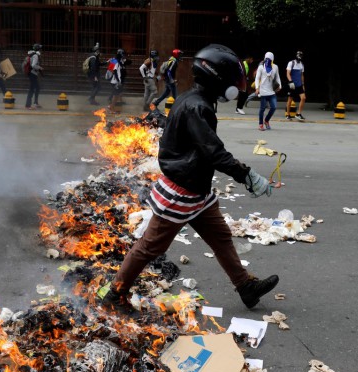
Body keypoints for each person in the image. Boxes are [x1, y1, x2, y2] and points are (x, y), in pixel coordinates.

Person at [104, 44, 279, 310]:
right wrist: (247, 175)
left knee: (220, 238)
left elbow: (205, 149)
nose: (234, 86)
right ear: (217, 79)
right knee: (149, 247)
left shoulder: (193, 99)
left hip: (198, 190)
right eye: (232, 80)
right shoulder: (198, 107)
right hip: (182, 191)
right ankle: (115, 294)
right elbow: (213, 152)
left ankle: (245, 287)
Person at [254, 52, 282, 131]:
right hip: (263, 91)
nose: (268, 60)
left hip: (271, 91)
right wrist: (257, 88)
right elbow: (257, 78)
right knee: (262, 109)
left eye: (269, 58)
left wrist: (280, 85)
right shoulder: (261, 67)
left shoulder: (275, 67)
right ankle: (260, 124)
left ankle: (266, 120)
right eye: (266, 58)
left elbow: (277, 77)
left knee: (273, 107)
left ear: (272, 59)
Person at [286, 50, 306, 121]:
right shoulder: (291, 63)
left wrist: (303, 84)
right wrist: (290, 81)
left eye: (300, 55)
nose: (299, 57)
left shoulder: (302, 64)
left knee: (303, 98)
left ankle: (298, 114)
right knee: (290, 99)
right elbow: (288, 73)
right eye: (298, 55)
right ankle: (288, 115)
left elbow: (302, 75)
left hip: (299, 84)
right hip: (292, 84)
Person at [25, 43, 43, 110]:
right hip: (32, 74)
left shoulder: (33, 55)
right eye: (40, 48)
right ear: (38, 49)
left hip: (33, 74)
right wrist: (40, 68)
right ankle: (28, 105)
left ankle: (35, 103)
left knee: (37, 88)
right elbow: (33, 65)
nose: (41, 50)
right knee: (31, 90)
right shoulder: (35, 56)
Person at [109, 49, 127, 113]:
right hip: (115, 81)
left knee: (117, 94)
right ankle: (111, 108)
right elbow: (115, 71)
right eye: (123, 54)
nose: (124, 56)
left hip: (117, 81)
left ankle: (111, 106)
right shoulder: (116, 61)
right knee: (115, 95)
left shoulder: (119, 61)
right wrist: (118, 81)